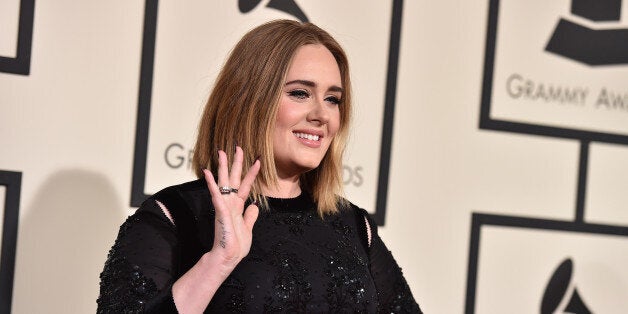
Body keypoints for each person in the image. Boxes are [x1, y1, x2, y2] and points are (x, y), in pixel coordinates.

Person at [97, 19, 422, 313]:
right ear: (249, 100)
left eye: (332, 99)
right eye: (300, 93)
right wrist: (218, 261)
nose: (321, 115)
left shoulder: (353, 226)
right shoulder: (175, 216)